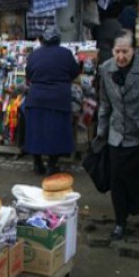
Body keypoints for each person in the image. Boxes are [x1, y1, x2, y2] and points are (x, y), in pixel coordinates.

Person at [96, 29, 139, 239]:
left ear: (134, 51)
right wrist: (101, 134)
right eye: (117, 51)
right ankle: (120, 221)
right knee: (117, 179)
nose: (121, 57)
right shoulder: (106, 69)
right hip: (117, 135)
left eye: (125, 51)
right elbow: (105, 105)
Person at [24, 26, 80, 176]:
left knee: (36, 133)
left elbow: (28, 76)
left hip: (36, 99)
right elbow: (74, 72)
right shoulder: (66, 54)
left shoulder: (34, 55)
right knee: (57, 133)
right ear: (58, 40)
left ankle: (37, 164)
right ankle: (52, 165)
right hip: (58, 99)